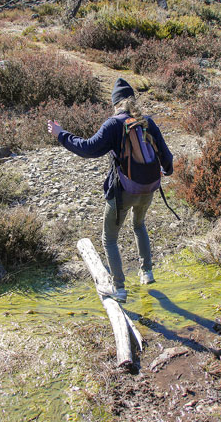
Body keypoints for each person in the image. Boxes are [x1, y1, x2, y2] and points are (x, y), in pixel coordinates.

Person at [47, 78, 174, 303]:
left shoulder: (114, 124)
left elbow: (88, 149)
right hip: (148, 189)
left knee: (109, 239)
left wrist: (61, 134)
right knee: (139, 225)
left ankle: (120, 289)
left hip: (123, 190)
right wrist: (166, 171)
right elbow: (167, 157)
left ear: (115, 103)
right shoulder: (147, 122)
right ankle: (147, 273)